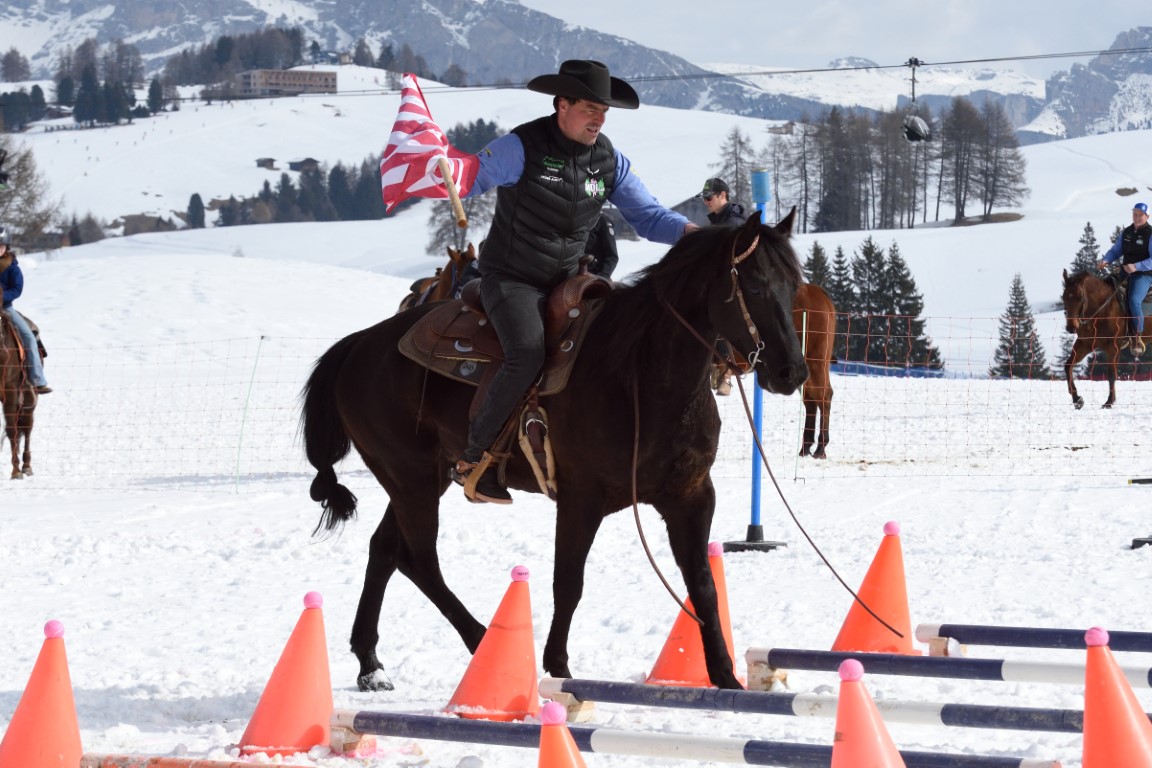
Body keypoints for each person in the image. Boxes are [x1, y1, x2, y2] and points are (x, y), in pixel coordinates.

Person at [449, 59, 697, 504]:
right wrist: (445, 168)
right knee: (526, 354)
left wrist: (692, 233)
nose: (599, 119)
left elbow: (648, 216)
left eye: (604, 111)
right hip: (511, 279)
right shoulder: (521, 146)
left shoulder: (609, 161)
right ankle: (475, 459)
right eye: (589, 108)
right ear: (562, 104)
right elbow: (472, 176)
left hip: (570, 281)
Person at [0, 224, 51, 394]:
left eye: (1, 246)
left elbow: (17, 289)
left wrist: (1, 297)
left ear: (7, 247)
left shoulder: (12, 268)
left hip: (5, 309)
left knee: (28, 336)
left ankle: (38, 380)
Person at [1099, 201, 1152, 355]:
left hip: (1144, 275)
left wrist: (1136, 266)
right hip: (1125, 273)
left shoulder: (1150, 233)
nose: (1137, 217)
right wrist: (1106, 260)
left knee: (1134, 301)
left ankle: (1136, 337)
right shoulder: (1127, 232)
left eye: (1140, 214)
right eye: (1135, 214)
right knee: (1106, 294)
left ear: (1147, 216)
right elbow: (1116, 251)